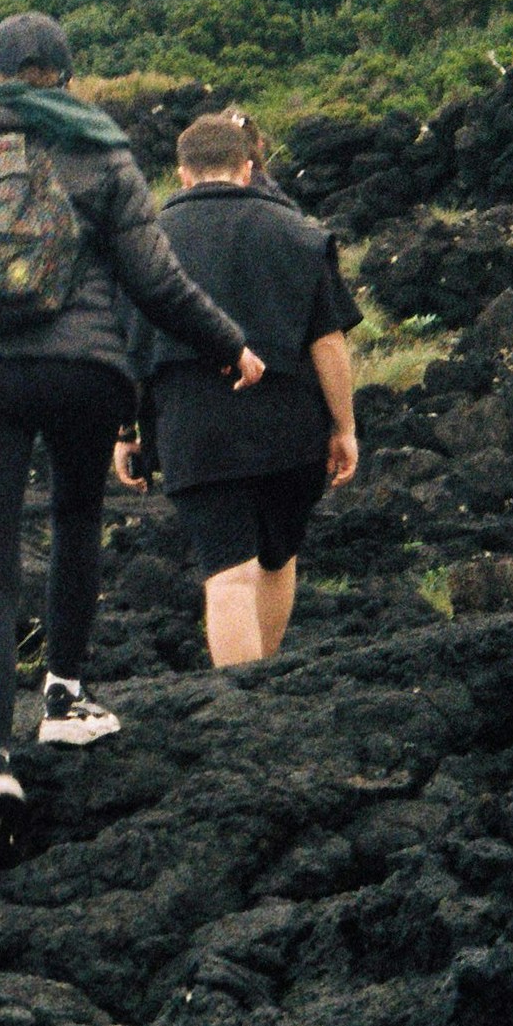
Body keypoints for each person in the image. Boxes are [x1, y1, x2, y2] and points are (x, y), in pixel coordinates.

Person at [0, 13, 260, 864]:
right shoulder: (102, 151)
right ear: (65, 74)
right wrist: (231, 345)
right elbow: (158, 283)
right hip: (84, 372)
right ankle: (68, 696)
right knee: (76, 518)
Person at [118, 108, 359, 672]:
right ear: (248, 168)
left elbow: (127, 352)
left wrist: (125, 433)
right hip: (290, 423)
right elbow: (329, 345)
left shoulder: (145, 247)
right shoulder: (298, 234)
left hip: (192, 425)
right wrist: (344, 427)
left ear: (181, 174)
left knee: (228, 570)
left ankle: (244, 701)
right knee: (278, 555)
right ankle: (263, 683)